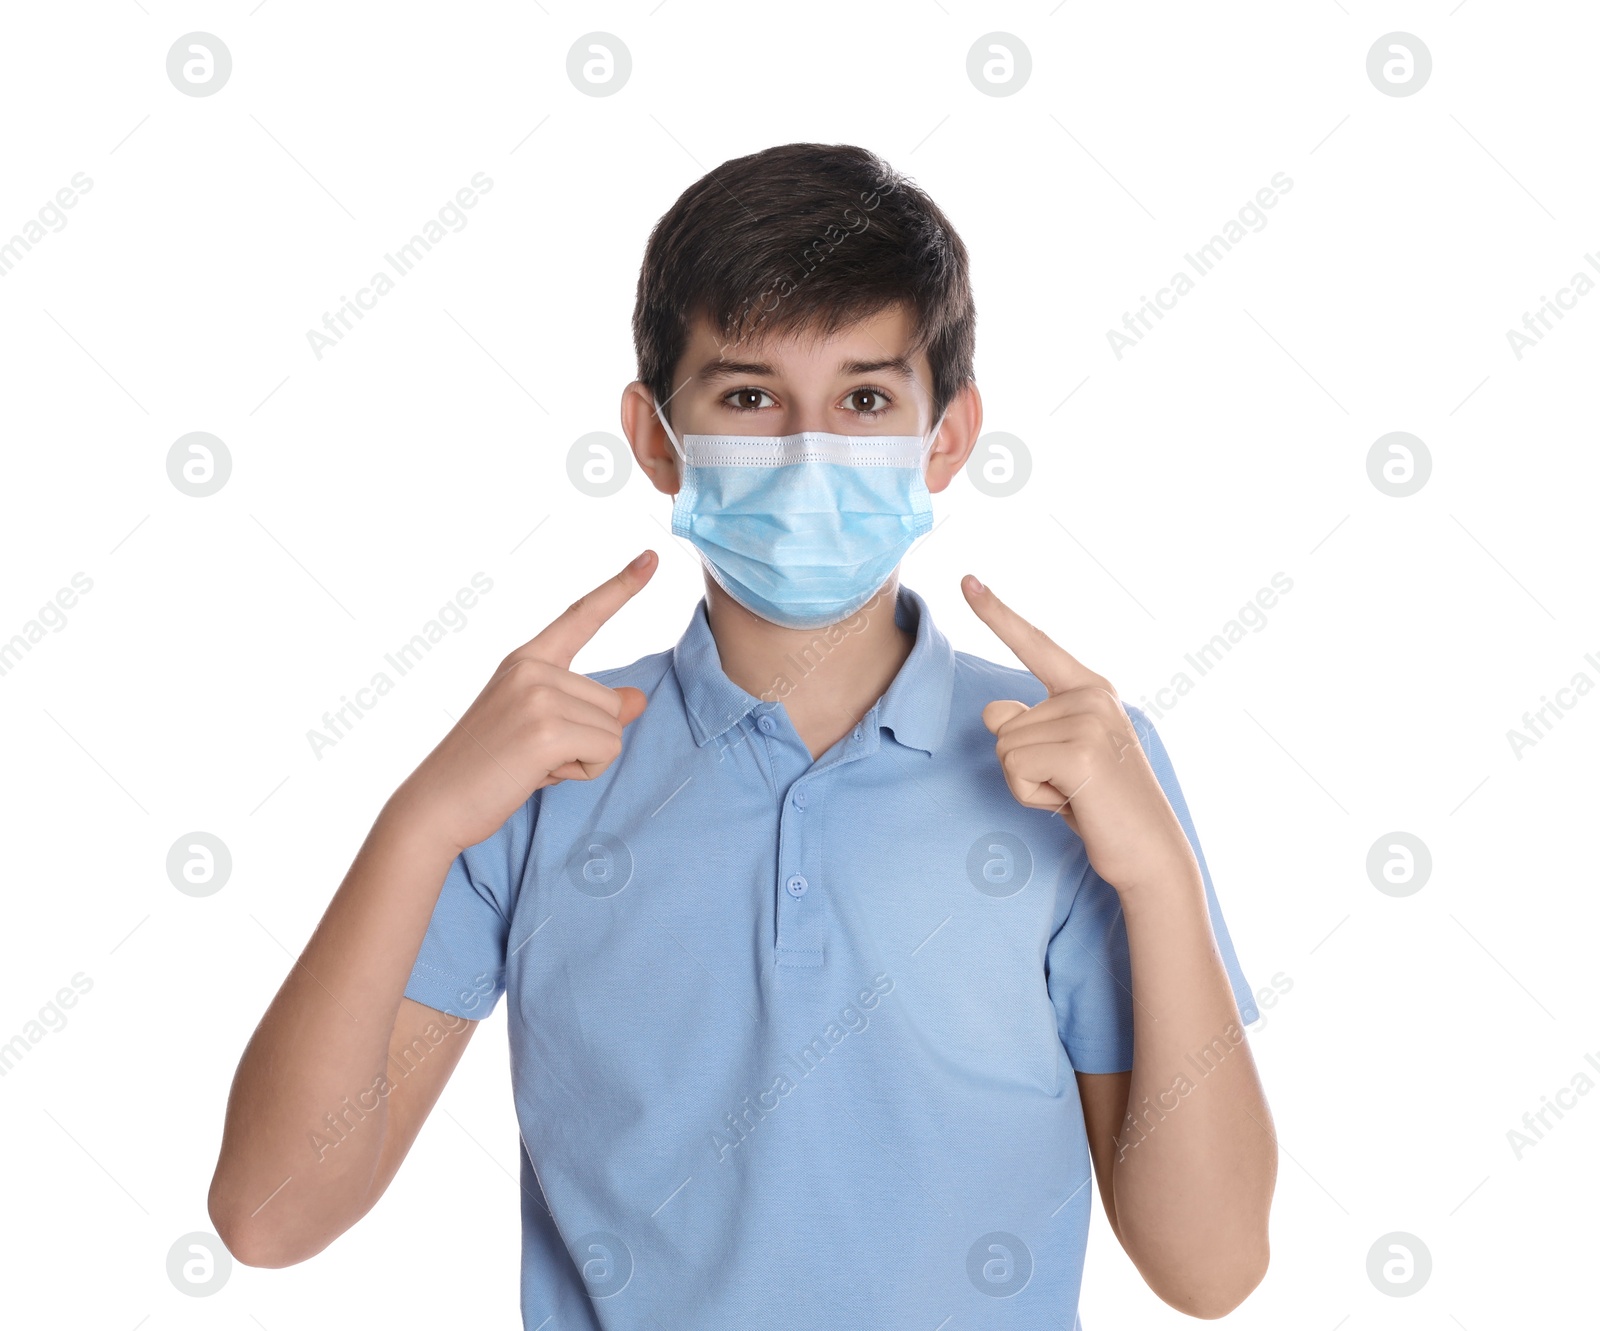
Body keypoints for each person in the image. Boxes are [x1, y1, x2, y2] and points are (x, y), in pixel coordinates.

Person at [208, 141, 1276, 1328]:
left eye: (865, 399)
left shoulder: (1074, 764)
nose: (809, 450)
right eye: (749, 396)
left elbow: (1211, 1266)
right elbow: (270, 1216)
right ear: (658, 434)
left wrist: (1158, 873)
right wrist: (419, 824)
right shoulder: (536, 771)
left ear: (947, 435)